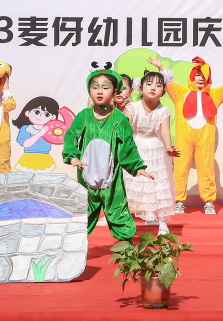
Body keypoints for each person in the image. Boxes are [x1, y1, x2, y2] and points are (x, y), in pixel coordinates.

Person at [62, 67, 153, 242]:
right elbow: (71, 135)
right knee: (82, 215)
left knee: (119, 212)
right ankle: (73, 249)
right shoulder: (84, 116)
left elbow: (127, 144)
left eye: (105, 87)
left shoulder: (119, 118)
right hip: (86, 177)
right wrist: (72, 156)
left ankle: (126, 251)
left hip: (111, 180)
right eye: (95, 87)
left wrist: (137, 166)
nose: (99, 91)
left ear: (114, 91)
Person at [149, 56, 223, 215]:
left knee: (206, 168)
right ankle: (178, 201)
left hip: (205, 139)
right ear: (192, 76)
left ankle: (208, 201)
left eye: (204, 76)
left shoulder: (213, 94)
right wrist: (160, 68)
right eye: (198, 75)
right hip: (184, 138)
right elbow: (169, 82)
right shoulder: (181, 92)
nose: (200, 79)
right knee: (180, 169)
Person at [122, 70, 179, 236]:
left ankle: (163, 223)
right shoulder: (132, 107)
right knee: (132, 184)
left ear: (163, 92)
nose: (153, 88)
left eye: (158, 85)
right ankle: (125, 222)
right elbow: (125, 128)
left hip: (156, 151)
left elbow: (165, 131)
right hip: (135, 148)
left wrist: (169, 148)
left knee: (158, 185)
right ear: (140, 88)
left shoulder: (164, 111)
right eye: (149, 84)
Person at [13, 96, 62, 173]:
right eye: (37, 112)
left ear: (53, 117)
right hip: (28, 158)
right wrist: (39, 134)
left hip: (45, 158)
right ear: (27, 113)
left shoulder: (51, 130)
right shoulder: (25, 128)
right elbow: (25, 144)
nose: (40, 116)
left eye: (47, 114)